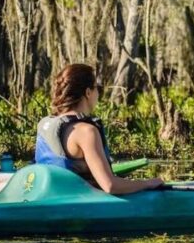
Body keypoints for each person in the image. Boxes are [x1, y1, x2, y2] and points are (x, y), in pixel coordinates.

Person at [35, 64, 163, 194]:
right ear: (88, 92)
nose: (98, 93)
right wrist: (147, 183)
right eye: (97, 88)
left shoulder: (45, 125)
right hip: (78, 205)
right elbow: (110, 186)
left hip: (48, 196)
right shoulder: (86, 132)